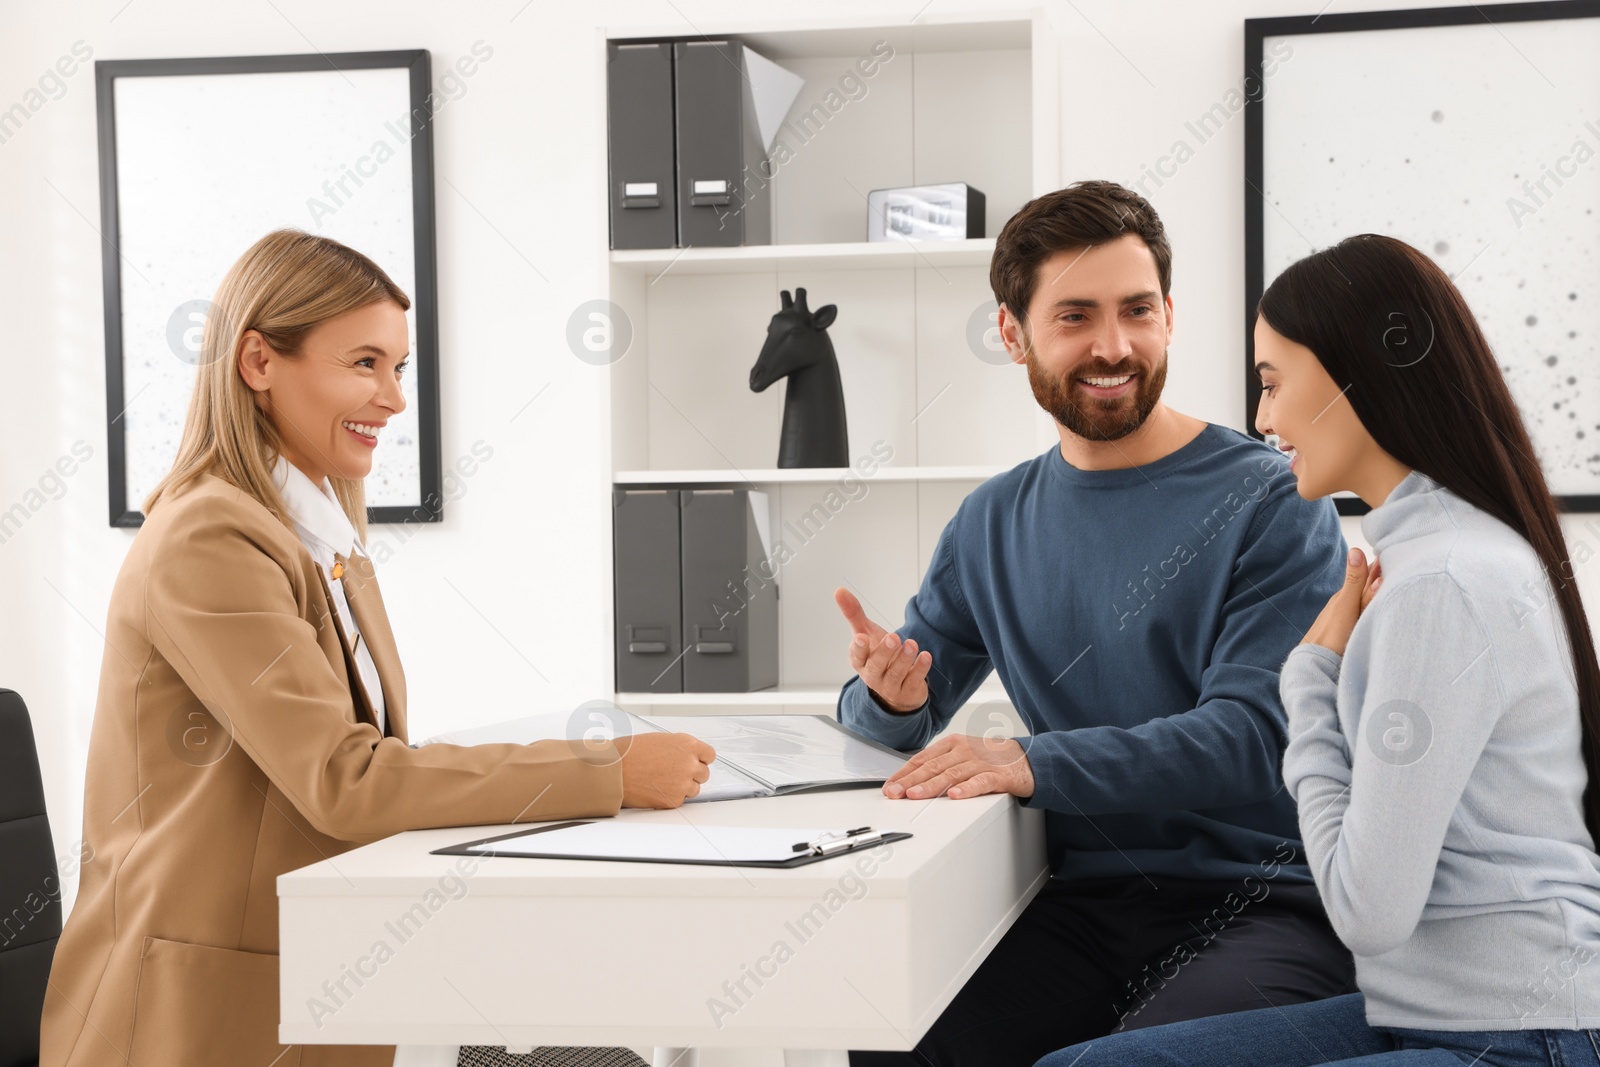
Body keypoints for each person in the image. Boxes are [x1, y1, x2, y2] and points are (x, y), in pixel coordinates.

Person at [39, 230, 715, 1067]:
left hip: (324, 963)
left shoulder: (317, 534)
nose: (393, 399)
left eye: (399, 368)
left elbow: (365, 759)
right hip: (199, 1017)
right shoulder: (209, 536)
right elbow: (344, 779)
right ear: (258, 361)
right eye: (364, 362)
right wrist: (607, 770)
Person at [1035, 233, 1600, 1067]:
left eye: (1272, 383)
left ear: (1358, 376)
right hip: (1436, 1010)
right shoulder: (1426, 553)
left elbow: (1365, 909)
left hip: (1520, 1035)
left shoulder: (1441, 579)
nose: (1263, 419)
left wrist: (1307, 684)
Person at [833, 181, 1357, 1067]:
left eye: (1136, 311)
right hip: (1076, 903)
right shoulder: (991, 521)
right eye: (1074, 315)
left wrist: (1030, 761)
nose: (1113, 346)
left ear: (1169, 317)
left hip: (1262, 902)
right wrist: (888, 697)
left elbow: (1252, 735)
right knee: (892, 1036)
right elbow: (890, 721)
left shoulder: (1274, 498)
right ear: (1013, 333)